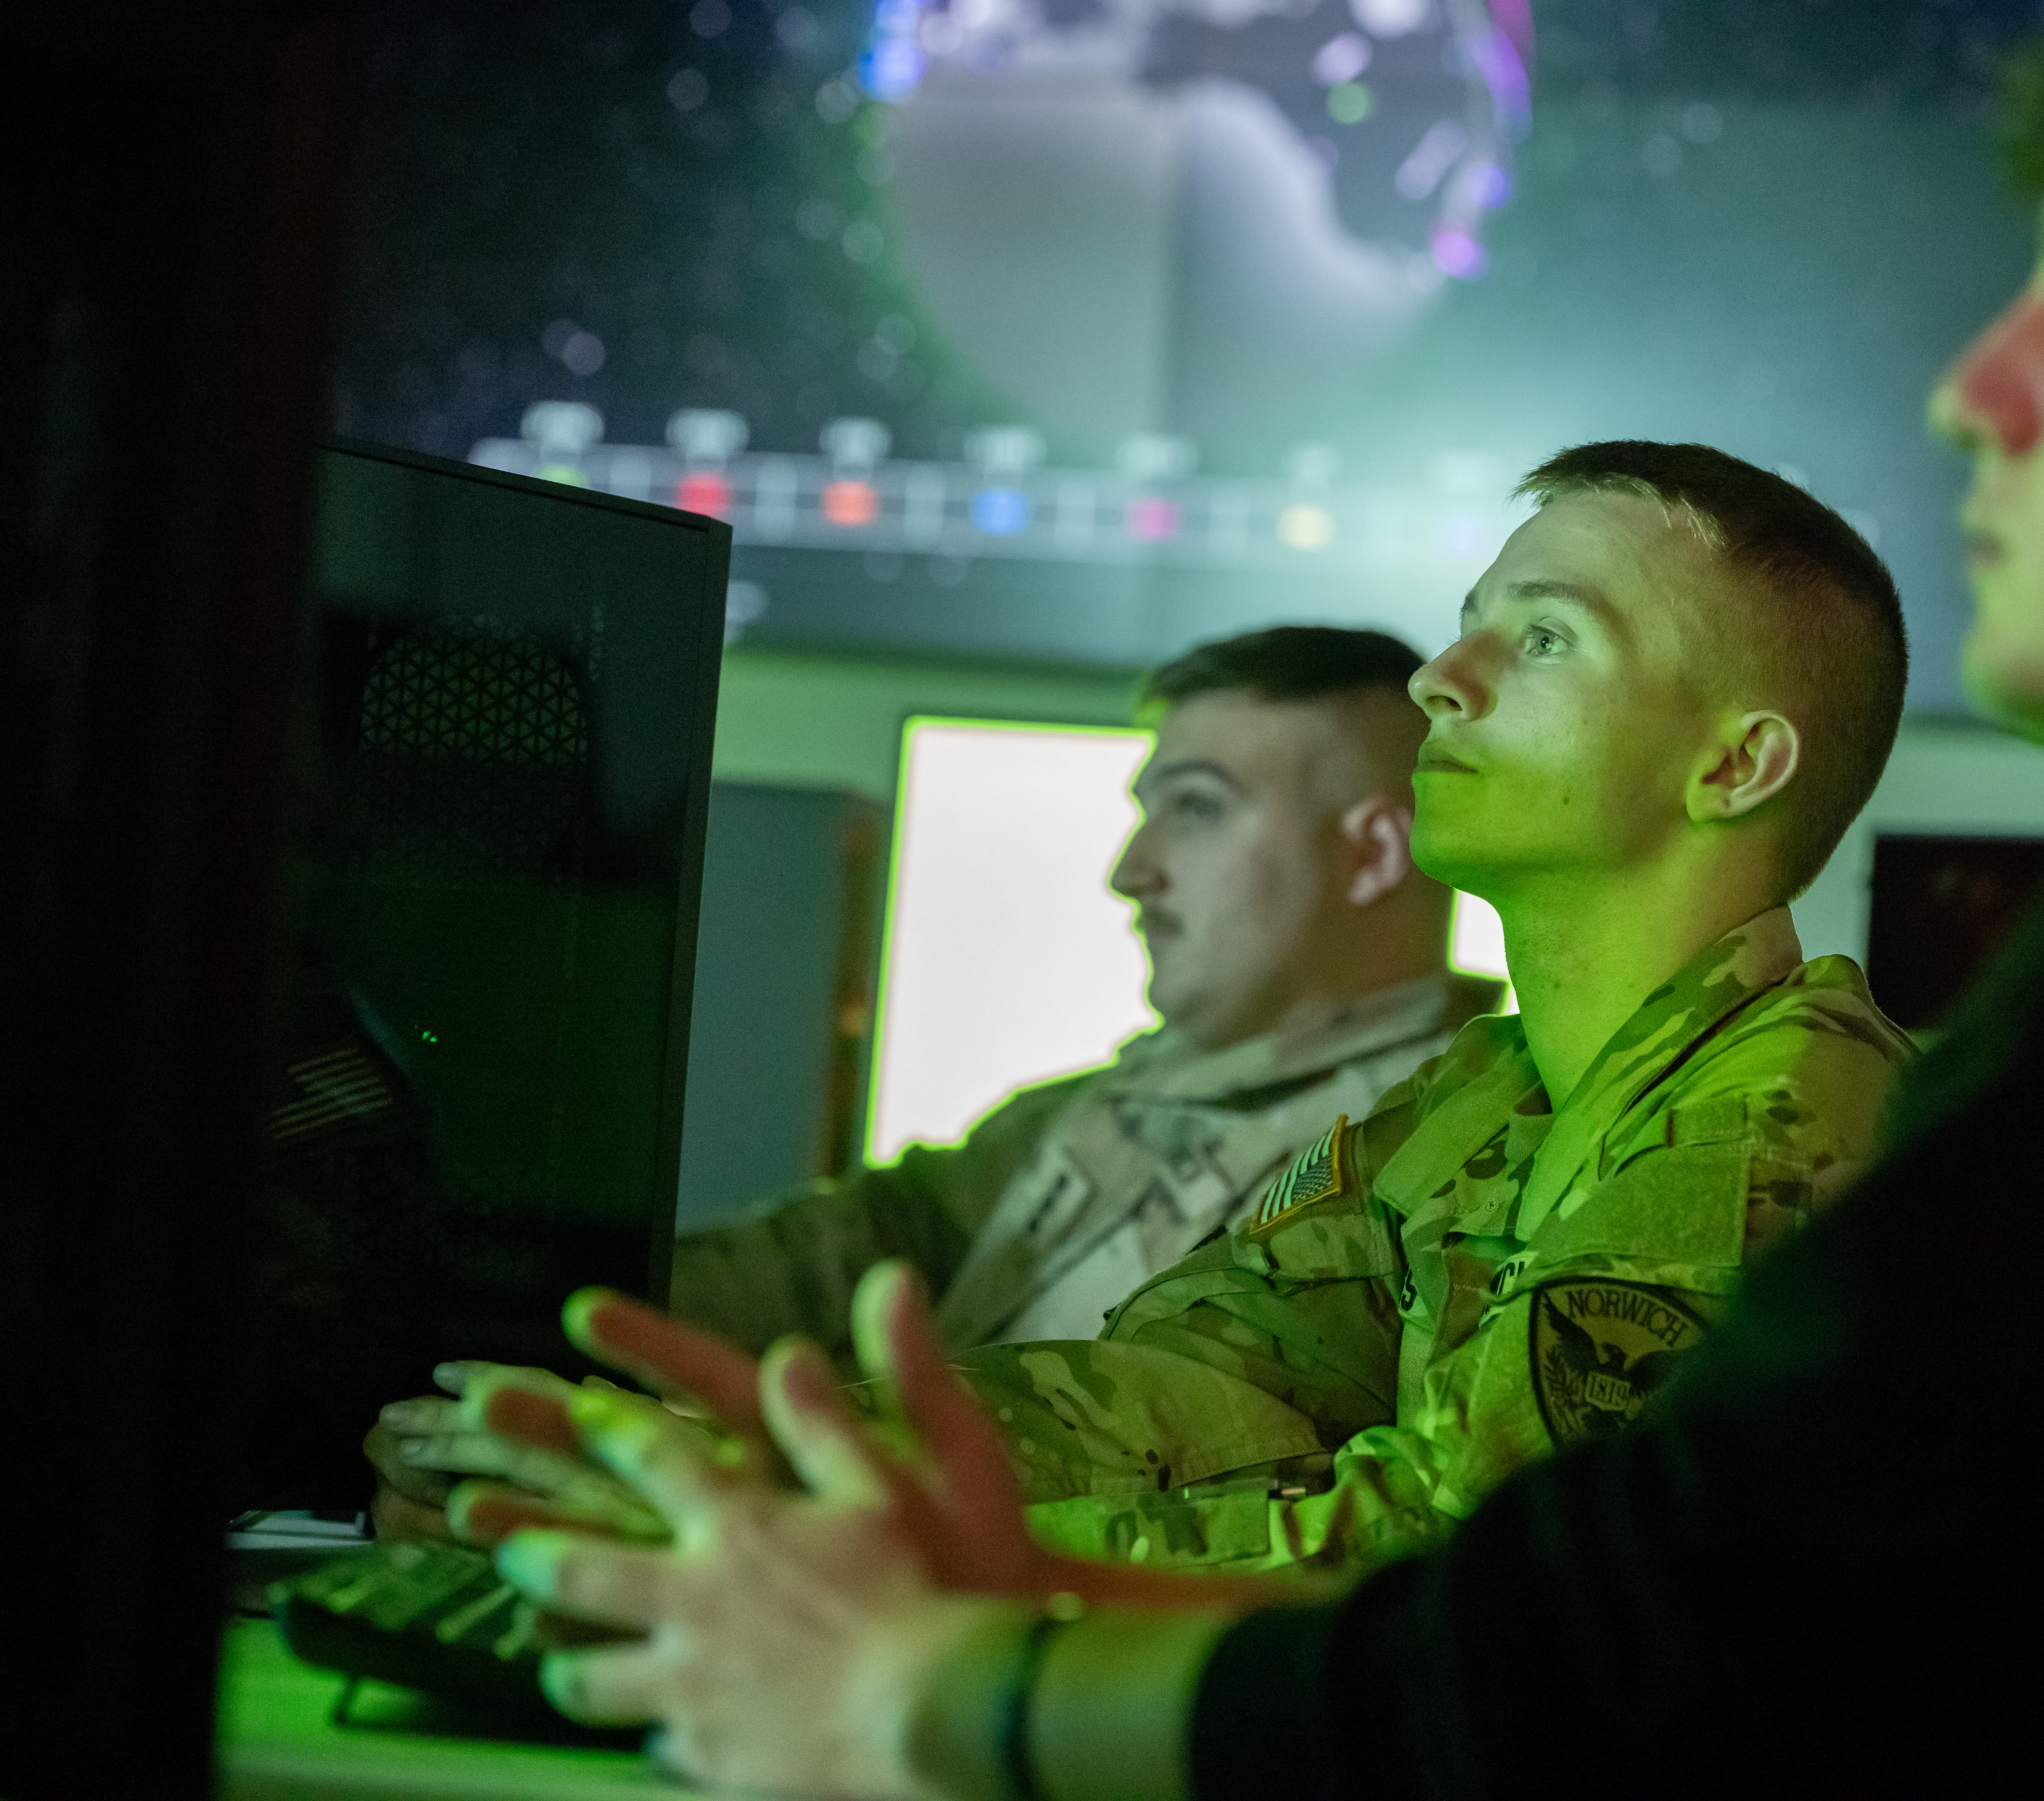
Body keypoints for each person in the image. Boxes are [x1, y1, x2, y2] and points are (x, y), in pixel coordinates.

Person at [477, 0, 2044, 1789]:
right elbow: (1247, 1407)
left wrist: (939, 1686)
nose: (1973, 388)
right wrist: (778, 1486)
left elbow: (1604, 1660)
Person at [449, 442, 1917, 1581]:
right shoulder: (1487, 1088)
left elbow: (1452, 1558)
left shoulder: (1772, 1119)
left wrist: (839, 1527)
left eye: (1544, 640)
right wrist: (724, 1463)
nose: (1438, 681)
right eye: (1470, 626)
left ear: (1737, 765)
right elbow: (1202, 1380)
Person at [364, 624, 1499, 1540]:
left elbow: (1195, 1421)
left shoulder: (1452, 1142)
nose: (1131, 870)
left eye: (1195, 807)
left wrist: (681, 1465)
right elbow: (840, 1255)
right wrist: (510, 1335)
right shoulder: (1092, 1114)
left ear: (1372, 854)